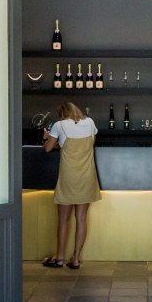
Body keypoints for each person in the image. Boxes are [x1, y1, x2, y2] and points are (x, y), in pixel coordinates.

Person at [42, 101, 101, 270]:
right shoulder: (90, 123)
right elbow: (90, 143)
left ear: (62, 114)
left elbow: (48, 149)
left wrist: (47, 137)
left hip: (68, 177)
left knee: (63, 220)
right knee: (81, 219)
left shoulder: (59, 125)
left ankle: (59, 258)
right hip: (87, 176)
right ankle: (75, 259)